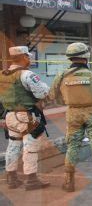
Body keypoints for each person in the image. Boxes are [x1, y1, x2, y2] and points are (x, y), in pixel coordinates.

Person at [48, 42, 92, 192]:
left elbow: (52, 95)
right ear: (86, 57)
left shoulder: (61, 75)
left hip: (73, 114)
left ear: (70, 58)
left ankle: (68, 183)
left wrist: (68, 102)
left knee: (72, 146)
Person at [0, 46, 50, 190]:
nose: (29, 59)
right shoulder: (27, 75)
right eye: (28, 56)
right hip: (25, 116)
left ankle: (11, 177)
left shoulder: (2, 74)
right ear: (23, 57)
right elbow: (42, 93)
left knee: (13, 145)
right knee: (30, 147)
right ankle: (31, 179)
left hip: (9, 116)